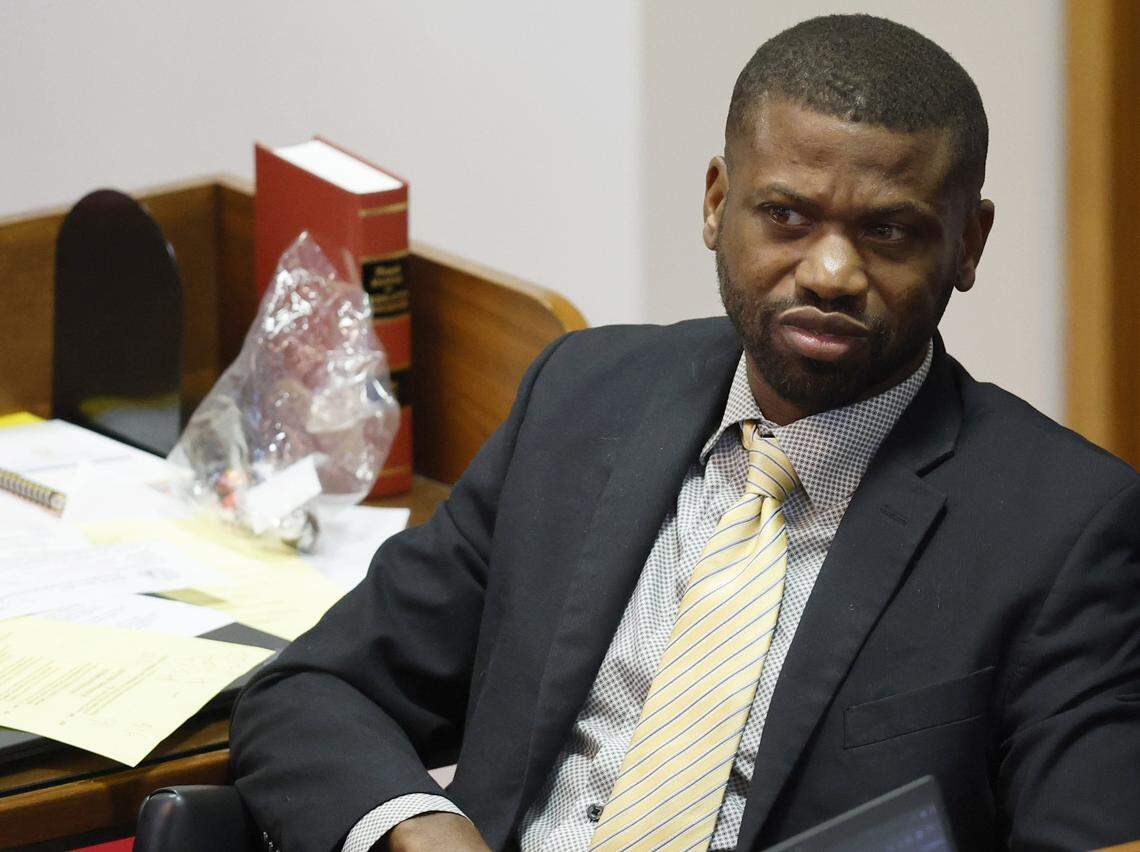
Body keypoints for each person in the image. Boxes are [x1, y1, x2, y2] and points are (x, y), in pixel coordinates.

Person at [230, 14, 1140, 852]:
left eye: (889, 231)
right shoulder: (583, 399)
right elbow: (317, 689)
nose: (829, 271)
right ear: (716, 203)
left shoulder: (1066, 531)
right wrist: (421, 828)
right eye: (786, 215)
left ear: (968, 244)